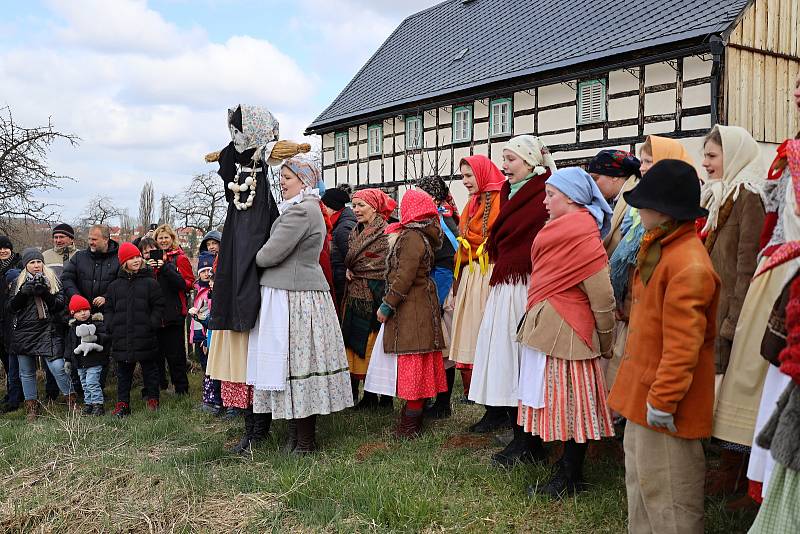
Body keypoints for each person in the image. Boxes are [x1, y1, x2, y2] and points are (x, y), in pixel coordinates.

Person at [607, 160, 720, 534]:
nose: (639, 209)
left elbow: (682, 347)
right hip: (644, 395)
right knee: (642, 488)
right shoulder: (661, 249)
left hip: (666, 404)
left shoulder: (688, 265)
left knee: (672, 501)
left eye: (645, 203)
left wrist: (664, 400)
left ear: (664, 210)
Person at [517, 167, 615, 497]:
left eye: (551, 195)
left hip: (571, 332)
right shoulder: (561, 231)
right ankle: (564, 470)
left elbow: (602, 296)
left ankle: (570, 477)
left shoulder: (583, 238)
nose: (544, 201)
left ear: (572, 198)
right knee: (561, 403)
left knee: (573, 407)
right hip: (552, 327)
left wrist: (605, 341)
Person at [247, 158, 353, 454]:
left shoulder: (301, 212)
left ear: (305, 182)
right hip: (294, 292)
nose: (282, 182)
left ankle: (305, 442)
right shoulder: (303, 209)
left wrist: (248, 256)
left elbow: (269, 255)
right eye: (281, 177)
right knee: (291, 367)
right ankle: (296, 438)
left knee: (297, 365)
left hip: (295, 295)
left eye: (288, 178)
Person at [469, 135, 557, 468]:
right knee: (509, 355)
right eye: (503, 159)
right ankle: (520, 432)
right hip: (508, 280)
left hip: (526, 282)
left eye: (511, 159)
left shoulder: (542, 193)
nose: (504, 166)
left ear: (531, 161)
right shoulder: (511, 193)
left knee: (525, 359)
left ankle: (530, 440)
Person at [698, 125, 767, 494]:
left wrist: (732, 322)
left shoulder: (748, 196)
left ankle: (735, 475)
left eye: (712, 156)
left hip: (735, 312)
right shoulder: (722, 195)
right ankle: (728, 472)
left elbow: (747, 266)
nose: (705, 163)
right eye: (705, 155)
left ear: (734, 155)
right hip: (718, 307)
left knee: (733, 394)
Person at [607, 137, 695, 389]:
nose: (643, 167)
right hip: (633, 293)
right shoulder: (638, 205)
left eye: (649, 161)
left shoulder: (677, 206)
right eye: (642, 161)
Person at [364, 189, 448, 437]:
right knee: (417, 367)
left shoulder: (412, 236)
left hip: (412, 309)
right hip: (419, 306)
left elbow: (404, 276)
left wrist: (388, 304)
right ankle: (412, 421)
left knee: (413, 365)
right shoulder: (419, 234)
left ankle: (409, 426)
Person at [448, 155, 504, 403]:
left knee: (486, 332)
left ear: (482, 174)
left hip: (489, 270)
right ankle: (477, 392)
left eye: (469, 176)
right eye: (462, 176)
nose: (465, 181)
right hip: (472, 271)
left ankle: (493, 398)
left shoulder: (501, 198)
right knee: (472, 331)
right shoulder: (473, 202)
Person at [340, 188, 396, 409]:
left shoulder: (386, 231)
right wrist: (349, 270)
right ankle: (370, 394)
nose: (356, 210)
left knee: (376, 343)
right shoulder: (355, 230)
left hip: (376, 290)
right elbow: (353, 260)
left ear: (374, 207)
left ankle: (386, 397)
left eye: (361, 205)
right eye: (354, 205)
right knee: (359, 344)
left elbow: (385, 261)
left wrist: (356, 268)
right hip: (355, 293)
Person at [8, 248, 74, 421]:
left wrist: (45, 292)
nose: (36, 265)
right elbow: (11, 308)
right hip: (24, 331)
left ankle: (71, 401)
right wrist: (23, 293)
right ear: (26, 265)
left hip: (48, 329)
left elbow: (60, 305)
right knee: (27, 372)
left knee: (58, 367)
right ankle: (32, 408)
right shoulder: (17, 281)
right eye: (32, 262)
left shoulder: (53, 279)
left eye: (39, 262)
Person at [416, 175, 460, 418]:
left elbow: (446, 258)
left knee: (443, 347)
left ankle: (443, 404)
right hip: (438, 281)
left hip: (441, 285)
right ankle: (439, 401)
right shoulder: (440, 215)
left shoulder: (439, 220)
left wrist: (436, 298)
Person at [105, 243, 165, 417]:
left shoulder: (150, 282)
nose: (136, 260)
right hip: (122, 336)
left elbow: (159, 305)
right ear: (124, 262)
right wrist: (111, 324)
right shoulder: (114, 286)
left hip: (145, 334)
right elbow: (108, 308)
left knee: (150, 370)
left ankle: (153, 399)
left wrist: (151, 323)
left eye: (138, 256)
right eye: (131, 258)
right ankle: (123, 404)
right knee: (124, 373)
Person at [151, 224, 194, 394]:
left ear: (172, 239)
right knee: (158, 353)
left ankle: (181, 387)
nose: (163, 241)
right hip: (156, 312)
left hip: (174, 310)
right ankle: (161, 385)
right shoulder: (151, 259)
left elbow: (188, 283)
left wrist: (167, 269)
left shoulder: (180, 259)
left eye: (166, 237)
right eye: (160, 238)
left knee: (175, 353)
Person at [587, 150, 641, 254]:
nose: (592, 185)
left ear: (614, 176)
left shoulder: (635, 202)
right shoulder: (619, 199)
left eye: (595, 178)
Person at [64, 295, 108, 416]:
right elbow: (70, 345)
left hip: (94, 361)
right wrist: (68, 360)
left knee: (92, 383)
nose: (83, 313)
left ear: (90, 310)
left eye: (85, 310)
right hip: (80, 363)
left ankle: (98, 405)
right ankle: (89, 404)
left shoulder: (97, 324)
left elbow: (105, 337)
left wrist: (95, 338)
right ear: (73, 314)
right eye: (79, 311)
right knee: (85, 384)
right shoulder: (73, 328)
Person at [321, 188, 357, 311]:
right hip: (340, 280)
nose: (322, 210)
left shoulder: (343, 228)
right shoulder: (338, 223)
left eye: (324, 206)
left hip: (342, 284)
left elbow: (351, 258)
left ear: (331, 207)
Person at [190, 252, 216, 413]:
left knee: (210, 368)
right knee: (205, 367)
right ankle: (207, 398)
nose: (206, 274)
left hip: (208, 336)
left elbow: (210, 316)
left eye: (209, 271)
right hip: (200, 334)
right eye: (203, 271)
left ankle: (213, 401)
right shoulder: (198, 289)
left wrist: (206, 338)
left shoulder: (211, 291)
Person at [0, 236, 22, 413]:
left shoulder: (19, 265)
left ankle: (16, 395)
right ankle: (11, 392)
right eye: (0, 248)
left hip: (13, 317)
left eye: (6, 247)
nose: (2, 251)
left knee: (13, 359)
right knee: (5, 358)